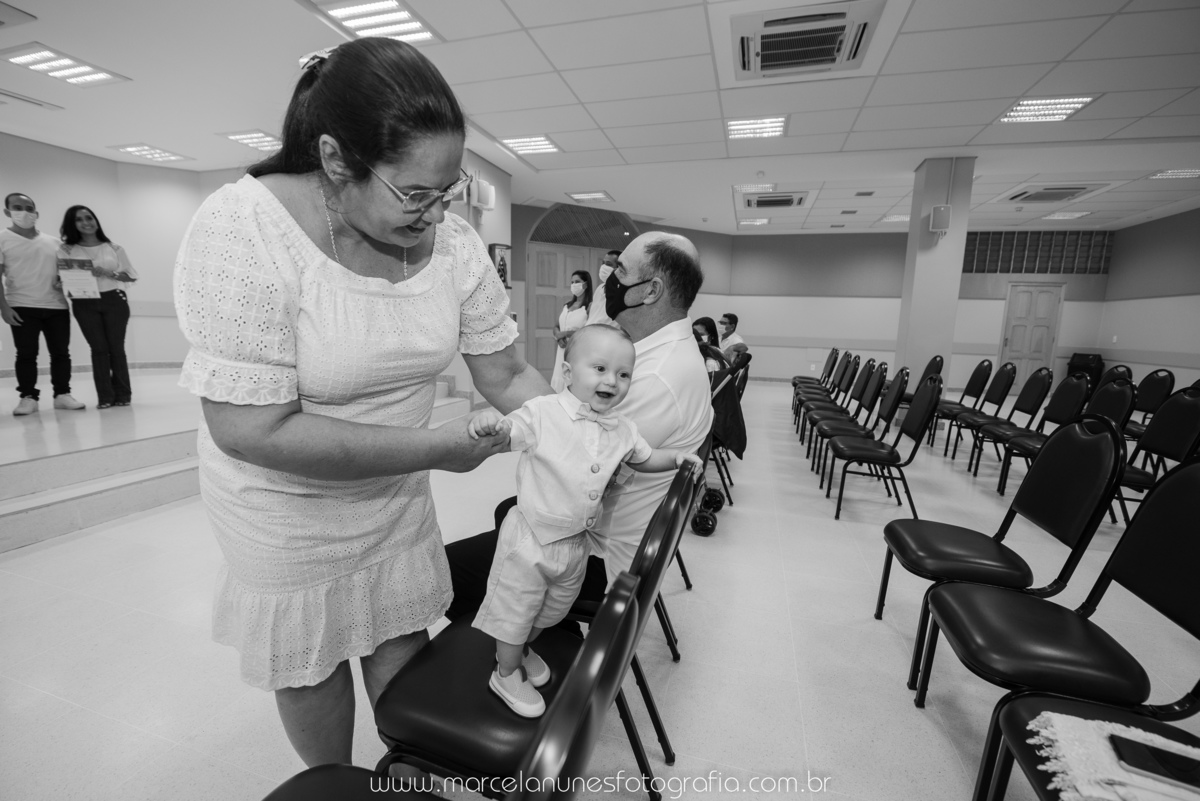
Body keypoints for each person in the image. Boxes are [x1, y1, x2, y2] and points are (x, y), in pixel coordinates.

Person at [172, 39, 548, 768]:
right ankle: (335, 782)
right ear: (336, 159)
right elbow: (250, 429)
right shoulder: (243, 228)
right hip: (282, 503)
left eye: (447, 191)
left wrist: (580, 430)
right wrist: (438, 449)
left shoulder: (452, 242)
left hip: (392, 491)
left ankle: (407, 771)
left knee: (398, 632)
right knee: (309, 663)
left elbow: (505, 371)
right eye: (414, 194)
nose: (434, 215)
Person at [445, 230, 712, 624]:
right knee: (510, 512)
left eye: (621, 271)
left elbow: (578, 457)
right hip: (610, 535)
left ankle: (530, 638)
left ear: (651, 290)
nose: (609, 280)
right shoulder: (654, 353)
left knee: (444, 572)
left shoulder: (656, 375)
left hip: (600, 556)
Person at [467, 325, 701, 717]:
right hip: (530, 540)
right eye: (600, 368)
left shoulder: (623, 429)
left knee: (552, 610)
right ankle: (505, 672)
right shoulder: (543, 412)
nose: (612, 381)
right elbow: (512, 431)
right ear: (569, 372)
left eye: (623, 374)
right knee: (515, 611)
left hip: (576, 542)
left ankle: (522, 650)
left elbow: (644, 458)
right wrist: (493, 424)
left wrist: (675, 458)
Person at [0, 193, 85, 415]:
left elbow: (66, 274)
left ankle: (62, 394)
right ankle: (28, 397)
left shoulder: (55, 243)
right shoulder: (2, 239)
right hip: (21, 305)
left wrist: (65, 281)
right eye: (18, 207)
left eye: (29, 208)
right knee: (26, 354)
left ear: (36, 212)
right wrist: (4, 307)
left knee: (61, 354)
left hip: (57, 306)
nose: (24, 212)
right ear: (7, 212)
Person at [60, 205, 138, 408]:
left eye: (89, 217)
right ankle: (105, 397)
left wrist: (110, 273)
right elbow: (63, 276)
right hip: (84, 303)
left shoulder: (114, 248)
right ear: (72, 224)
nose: (86, 222)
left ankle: (123, 395)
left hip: (114, 300)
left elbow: (130, 276)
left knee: (116, 348)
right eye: (79, 219)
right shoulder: (66, 250)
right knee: (99, 349)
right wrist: (63, 282)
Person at [548, 269, 591, 391]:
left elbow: (589, 331)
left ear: (586, 284)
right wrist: (558, 336)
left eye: (577, 282)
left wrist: (566, 333)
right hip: (561, 350)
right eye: (572, 282)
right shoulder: (567, 305)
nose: (574, 285)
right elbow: (556, 326)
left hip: (577, 350)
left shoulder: (589, 306)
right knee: (559, 380)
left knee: (572, 381)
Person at [585, 249, 621, 326]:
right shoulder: (600, 288)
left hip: (607, 331)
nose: (603, 267)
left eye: (608, 264)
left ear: (619, 268)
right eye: (603, 263)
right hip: (590, 330)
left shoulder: (622, 290)